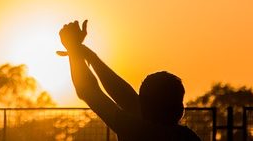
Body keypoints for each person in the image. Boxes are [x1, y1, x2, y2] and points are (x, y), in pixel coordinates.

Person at [57, 20, 201, 141]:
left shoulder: (139, 131)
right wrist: (87, 54)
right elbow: (127, 98)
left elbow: (88, 91)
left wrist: (73, 48)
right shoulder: (187, 137)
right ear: (179, 108)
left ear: (145, 106)